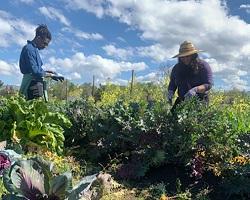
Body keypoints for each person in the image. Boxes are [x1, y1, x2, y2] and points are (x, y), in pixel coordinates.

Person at [19, 24, 64, 101]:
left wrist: (48, 72)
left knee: (34, 109)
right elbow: (35, 72)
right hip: (30, 85)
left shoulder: (34, 50)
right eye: (44, 43)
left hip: (35, 85)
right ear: (38, 38)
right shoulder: (29, 49)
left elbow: (37, 69)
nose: (45, 46)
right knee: (28, 108)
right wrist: (51, 75)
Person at [167, 41, 213, 110]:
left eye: (187, 56)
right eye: (182, 57)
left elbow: (208, 84)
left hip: (200, 101)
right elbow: (173, 83)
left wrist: (195, 90)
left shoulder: (203, 66)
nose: (185, 59)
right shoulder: (176, 68)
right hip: (182, 100)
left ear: (193, 55)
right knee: (172, 117)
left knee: (196, 120)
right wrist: (170, 92)